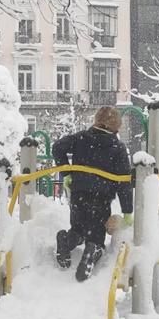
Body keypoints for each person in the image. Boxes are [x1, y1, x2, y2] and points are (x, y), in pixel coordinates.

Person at [52, 106, 133, 281]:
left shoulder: (80, 138)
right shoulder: (117, 147)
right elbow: (124, 181)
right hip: (101, 197)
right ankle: (93, 250)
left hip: (78, 194)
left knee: (78, 229)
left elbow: (57, 147)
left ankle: (67, 240)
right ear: (115, 127)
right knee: (96, 235)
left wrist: (67, 173)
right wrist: (127, 211)